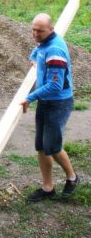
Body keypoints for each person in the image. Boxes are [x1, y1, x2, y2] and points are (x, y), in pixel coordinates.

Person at [20, 13, 79, 202]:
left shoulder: (55, 51)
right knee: (41, 146)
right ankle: (48, 188)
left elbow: (55, 85)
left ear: (51, 30)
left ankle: (72, 177)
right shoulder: (44, 42)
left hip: (58, 103)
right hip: (46, 100)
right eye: (33, 30)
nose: (35, 34)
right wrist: (33, 59)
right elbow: (37, 51)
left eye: (40, 31)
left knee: (52, 147)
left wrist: (30, 97)